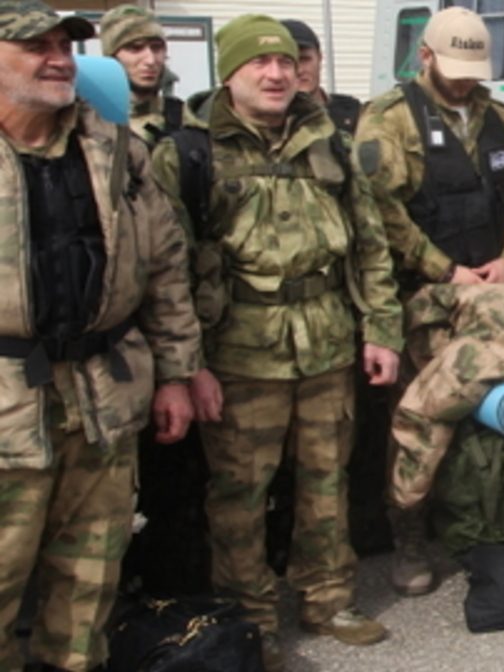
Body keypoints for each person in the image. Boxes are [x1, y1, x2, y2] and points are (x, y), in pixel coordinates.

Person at [150, 14, 403, 671]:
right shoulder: (189, 151)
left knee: (328, 482)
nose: (275, 74)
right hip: (238, 353)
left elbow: (370, 243)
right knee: (239, 497)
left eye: (287, 62)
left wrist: (380, 328)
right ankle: (253, 619)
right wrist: (186, 367)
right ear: (228, 72)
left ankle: (327, 598)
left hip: (325, 342)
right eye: (260, 63)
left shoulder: (330, 141)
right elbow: (166, 269)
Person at [0, 2, 201, 670]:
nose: (59, 58)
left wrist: (175, 374)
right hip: (6, 405)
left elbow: (167, 266)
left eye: (65, 44)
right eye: (36, 46)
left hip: (102, 399)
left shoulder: (114, 147)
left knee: (89, 579)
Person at [354, 5, 504, 596]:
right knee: (418, 421)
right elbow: (378, 211)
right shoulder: (388, 121)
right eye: (453, 66)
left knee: (489, 412)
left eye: (473, 68)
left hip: (490, 298)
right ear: (425, 57)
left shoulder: (497, 118)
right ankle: (409, 537)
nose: (464, 79)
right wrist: (445, 269)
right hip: (424, 299)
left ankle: (481, 522)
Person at [99, 4, 182, 146]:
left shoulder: (184, 118)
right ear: (112, 57)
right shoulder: (94, 120)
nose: (150, 60)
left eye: (156, 47)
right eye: (135, 48)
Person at [280, 19, 362, 134]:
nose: (299, 70)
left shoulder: (352, 112)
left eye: (305, 59)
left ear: (319, 58)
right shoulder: (270, 121)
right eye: (288, 62)